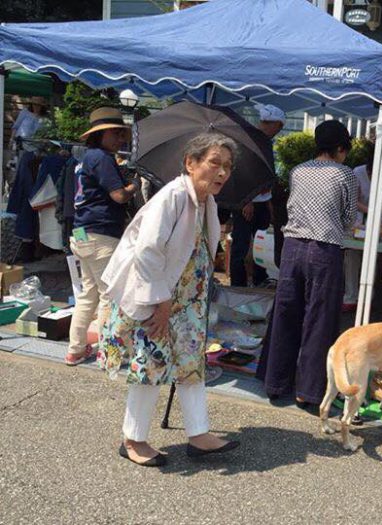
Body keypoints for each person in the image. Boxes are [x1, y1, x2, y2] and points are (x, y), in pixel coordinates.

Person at [98, 132, 240, 466]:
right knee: (150, 366)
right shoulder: (173, 196)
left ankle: (199, 434)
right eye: (214, 163)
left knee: (192, 365)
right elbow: (148, 252)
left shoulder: (205, 201)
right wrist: (159, 302)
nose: (222, 172)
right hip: (158, 299)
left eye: (228, 167)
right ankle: (133, 439)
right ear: (191, 163)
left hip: (187, 305)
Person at [257, 120, 357, 407]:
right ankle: (308, 391)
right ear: (340, 148)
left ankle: (275, 383)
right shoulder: (345, 174)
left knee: (286, 313)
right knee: (319, 319)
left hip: (292, 248)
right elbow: (348, 217)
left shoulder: (299, 171)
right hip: (324, 250)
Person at [64, 107, 139, 366]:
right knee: (109, 293)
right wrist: (134, 186)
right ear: (103, 134)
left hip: (82, 232)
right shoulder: (103, 159)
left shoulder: (88, 157)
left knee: (88, 294)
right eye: (117, 133)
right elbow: (118, 196)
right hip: (101, 234)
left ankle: (75, 349)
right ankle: (108, 351)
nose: (121, 139)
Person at [229, 104, 285, 287]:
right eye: (264, 122)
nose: (265, 126)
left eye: (268, 123)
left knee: (260, 245)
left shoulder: (265, 142)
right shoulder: (251, 141)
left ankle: (260, 280)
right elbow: (241, 171)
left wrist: (267, 202)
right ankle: (238, 285)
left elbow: (263, 174)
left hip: (261, 202)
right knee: (241, 246)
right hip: (247, 201)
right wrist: (247, 200)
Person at [342, 147, 382, 311]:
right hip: (356, 219)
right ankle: (351, 296)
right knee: (352, 256)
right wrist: (371, 211)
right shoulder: (357, 172)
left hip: (377, 222)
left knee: (372, 257)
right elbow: (354, 201)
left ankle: (367, 296)